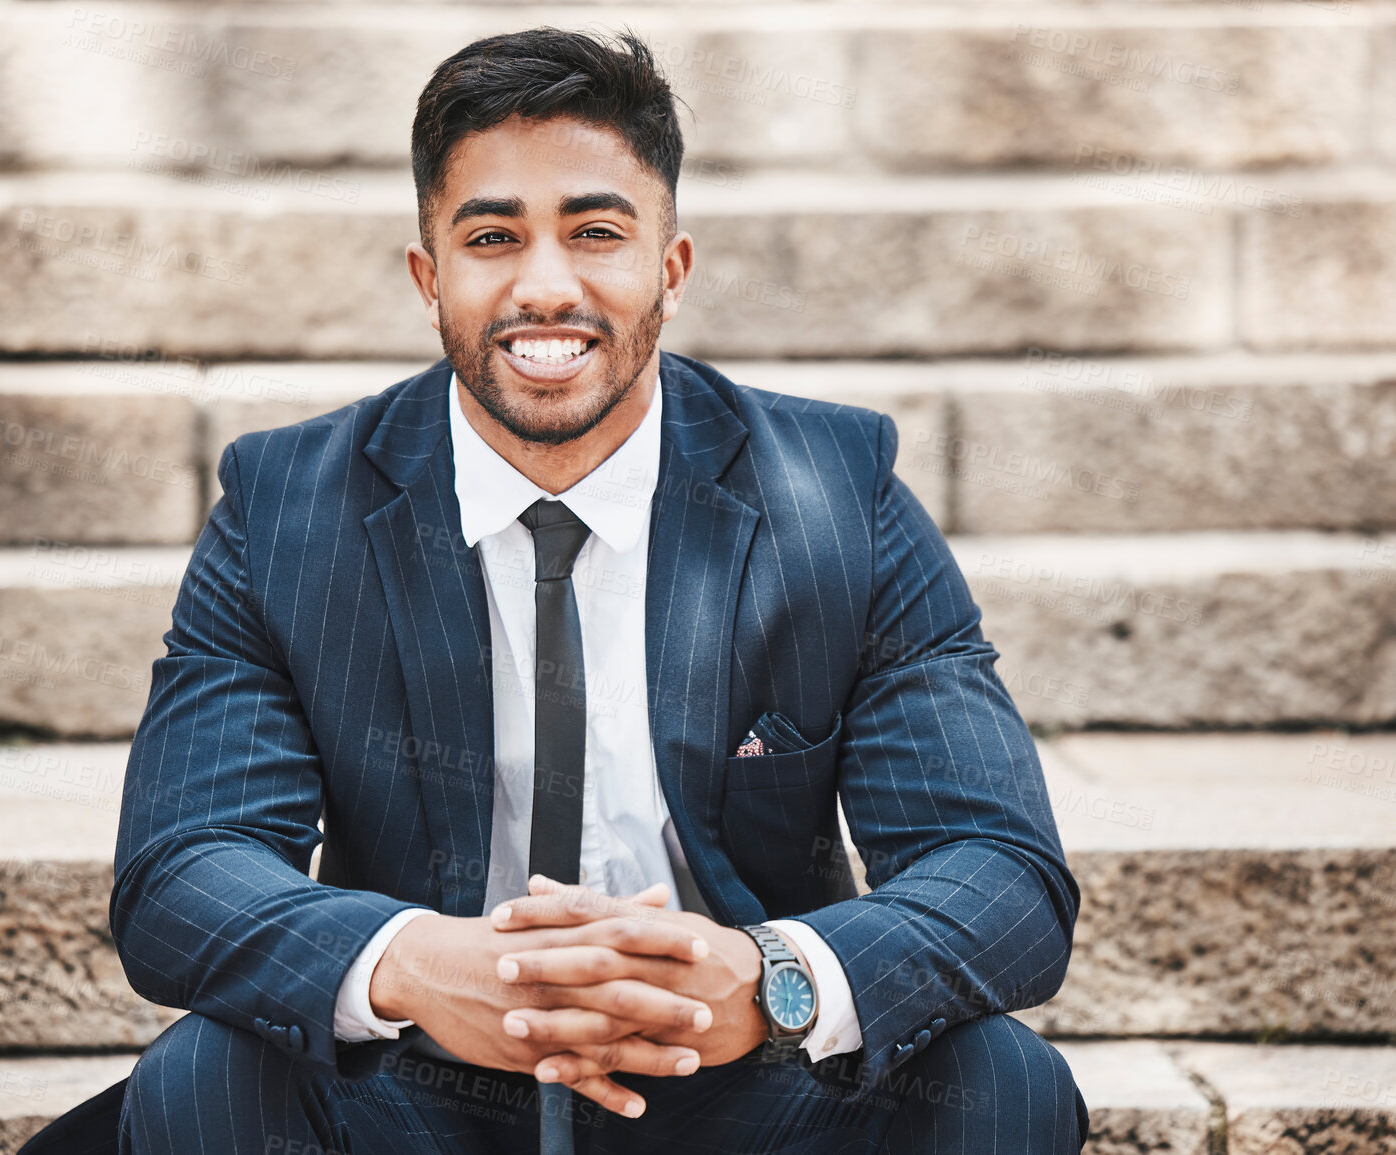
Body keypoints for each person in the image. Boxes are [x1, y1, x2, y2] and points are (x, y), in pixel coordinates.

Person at [100, 26, 1087, 1155]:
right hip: (427, 1076)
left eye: (596, 232)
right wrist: (419, 966)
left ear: (670, 268)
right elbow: (182, 870)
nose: (546, 285)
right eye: (493, 237)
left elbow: (1001, 872)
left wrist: (773, 979)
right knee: (204, 1080)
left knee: (1000, 1082)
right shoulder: (286, 510)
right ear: (430, 278)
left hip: (741, 1067)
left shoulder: (836, 492)